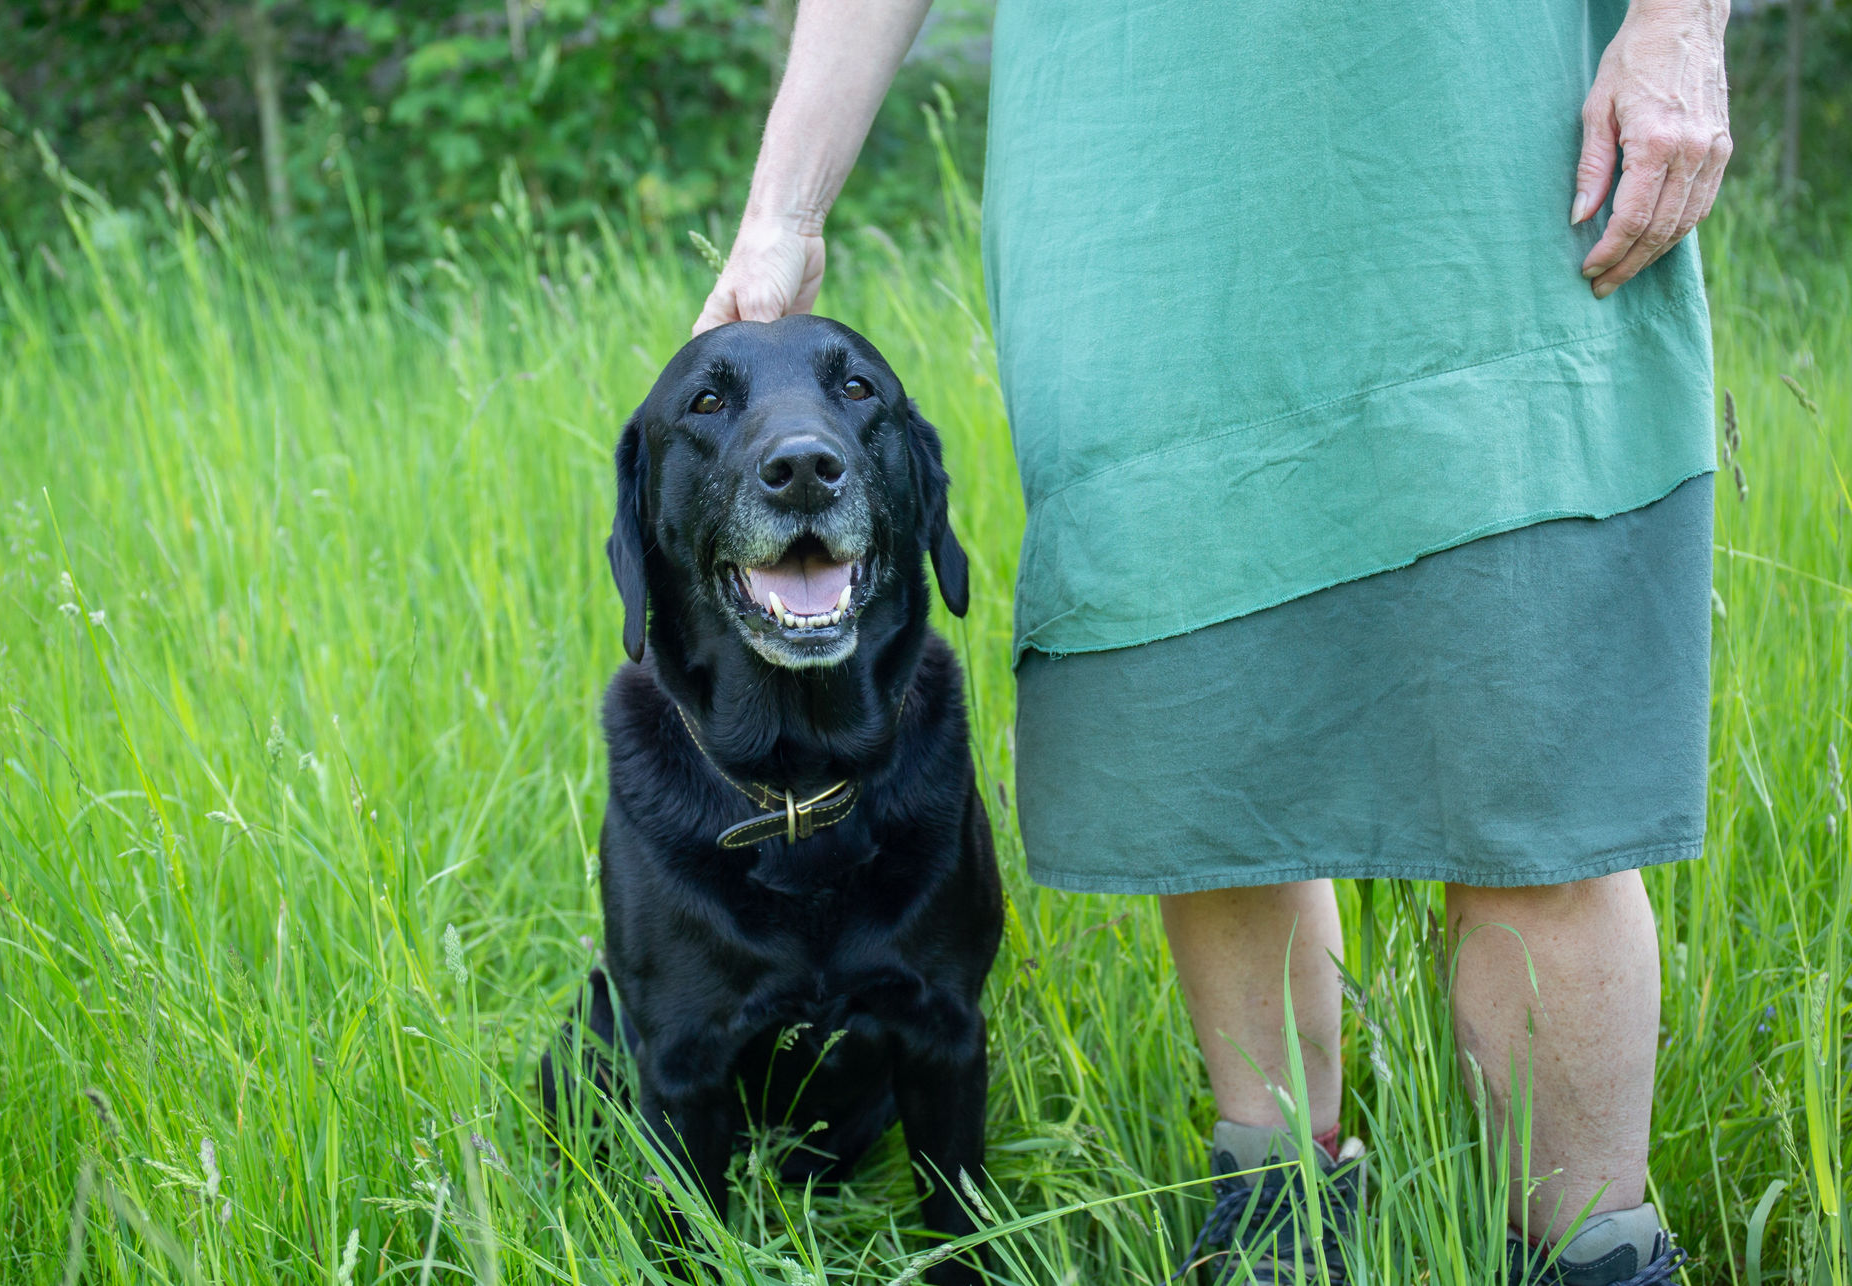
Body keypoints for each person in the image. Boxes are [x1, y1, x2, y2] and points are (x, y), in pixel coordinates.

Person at [696, 1, 1731, 1281]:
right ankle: (1278, 1220)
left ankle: (1594, 1257)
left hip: (1484, 158)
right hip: (1140, 196)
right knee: (1215, 756)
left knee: (1529, 762)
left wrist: (1681, 23)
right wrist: (781, 214)